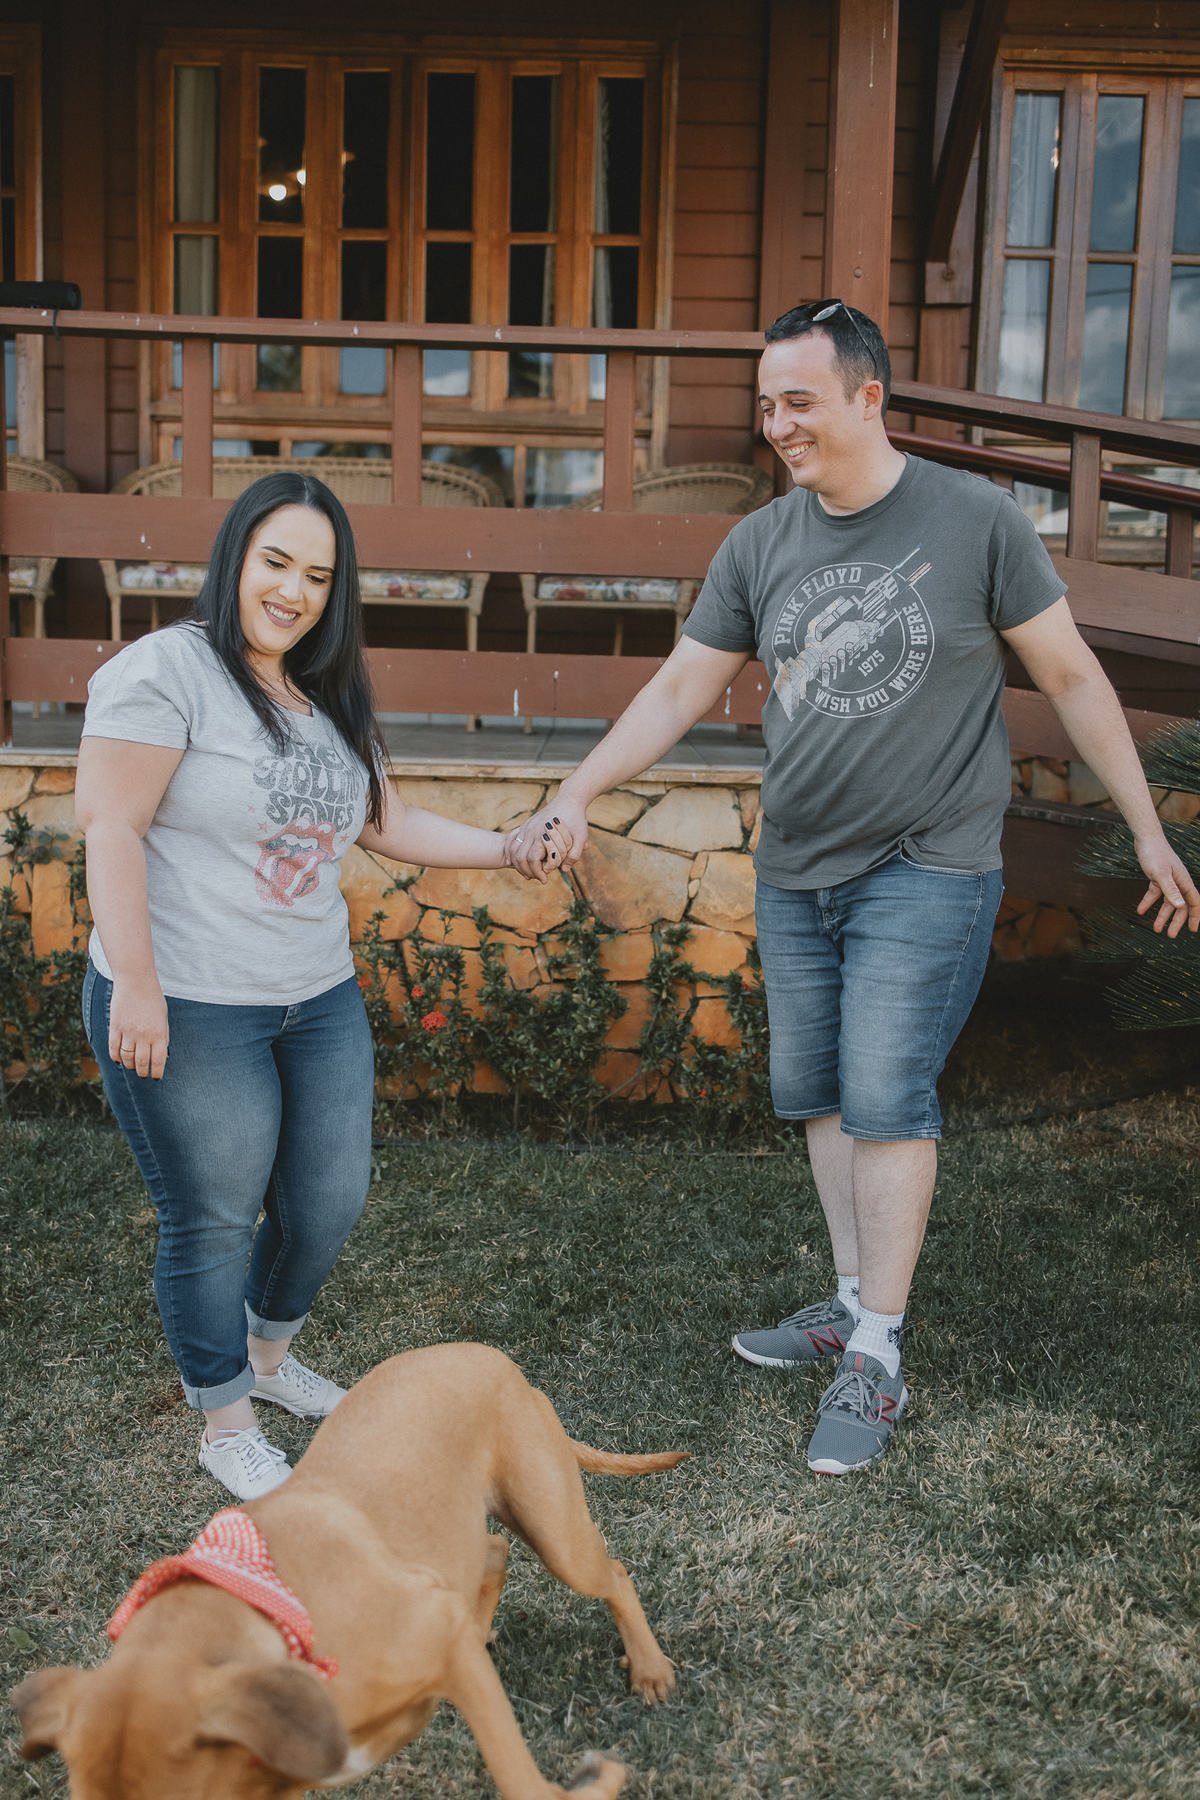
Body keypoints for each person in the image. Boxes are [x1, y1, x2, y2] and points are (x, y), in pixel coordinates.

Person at [507, 299, 1200, 1476]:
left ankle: (878, 1351)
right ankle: (847, 1298)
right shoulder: (760, 543)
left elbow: (1074, 677)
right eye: (767, 404)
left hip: (925, 863)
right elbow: (679, 689)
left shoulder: (976, 521)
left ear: (869, 397)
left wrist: (1146, 826)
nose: (779, 424)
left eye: (801, 401)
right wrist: (575, 790)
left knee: (885, 1094)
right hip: (798, 868)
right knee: (822, 1093)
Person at [76, 471, 567, 1502]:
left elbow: (387, 821)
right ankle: (226, 1423)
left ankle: (266, 1358)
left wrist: (507, 845)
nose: (293, 592)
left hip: (315, 997)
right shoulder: (166, 671)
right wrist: (139, 987)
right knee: (213, 1214)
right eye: (275, 563)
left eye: (318, 575)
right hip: (191, 997)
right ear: (235, 558)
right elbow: (111, 827)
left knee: (327, 1199)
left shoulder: (324, 690)